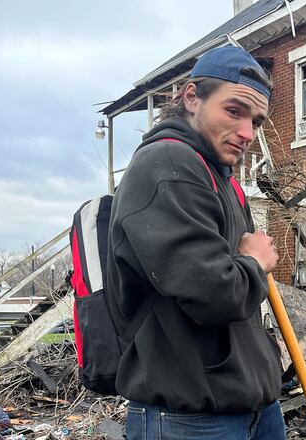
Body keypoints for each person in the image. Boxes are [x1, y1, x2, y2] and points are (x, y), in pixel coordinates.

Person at [106, 46, 285, 439]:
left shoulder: (222, 179)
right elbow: (214, 291)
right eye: (234, 111)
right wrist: (254, 263)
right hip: (191, 417)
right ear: (191, 97)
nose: (247, 133)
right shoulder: (168, 165)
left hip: (250, 406)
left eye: (256, 121)